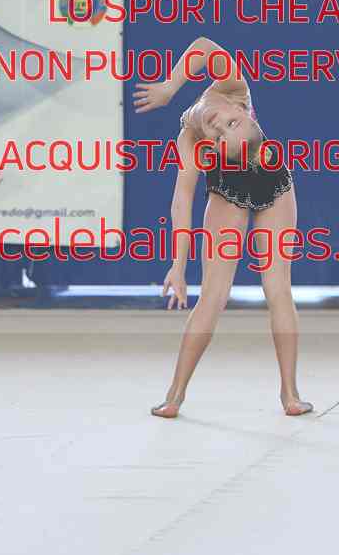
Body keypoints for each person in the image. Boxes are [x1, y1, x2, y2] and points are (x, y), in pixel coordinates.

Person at [133, 37, 314, 418]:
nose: (219, 125)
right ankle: (175, 394)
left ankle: (290, 393)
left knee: (277, 287)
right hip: (229, 191)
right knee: (213, 296)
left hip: (273, 183)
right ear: (241, 108)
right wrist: (169, 87)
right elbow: (202, 46)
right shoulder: (233, 87)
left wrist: (178, 265)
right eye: (228, 126)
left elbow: (182, 199)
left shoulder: (206, 127)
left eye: (225, 132)